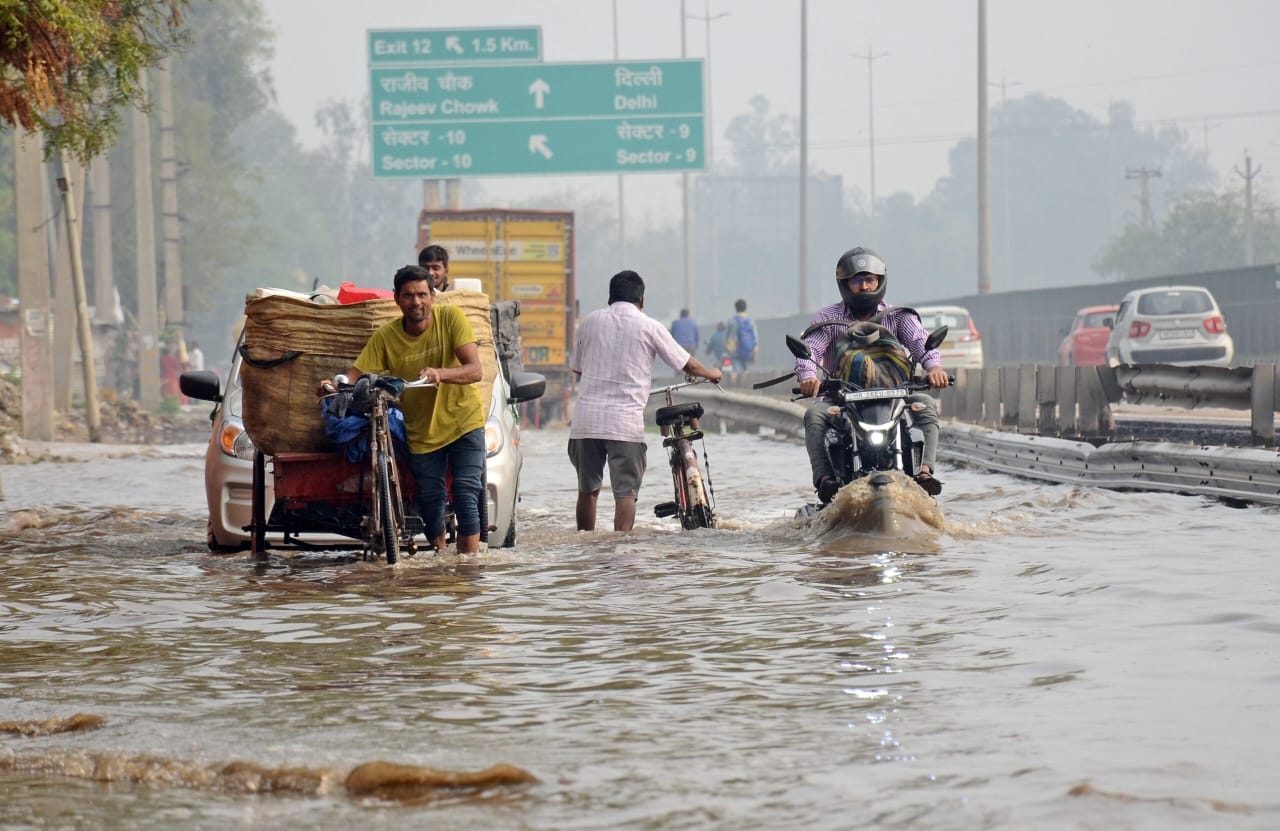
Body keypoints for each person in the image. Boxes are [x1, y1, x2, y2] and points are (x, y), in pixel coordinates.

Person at [323, 264, 486, 554]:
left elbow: (475, 370)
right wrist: (334, 386)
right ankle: (440, 557)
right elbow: (355, 374)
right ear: (397, 299)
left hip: (464, 422)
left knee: (465, 492)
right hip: (422, 431)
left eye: (422, 294)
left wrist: (440, 373)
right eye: (409, 296)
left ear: (433, 297)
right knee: (431, 501)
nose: (416, 302)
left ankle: (469, 569)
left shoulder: (451, 318)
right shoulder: (387, 337)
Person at [569, 270, 723, 532]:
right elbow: (685, 363)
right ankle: (622, 549)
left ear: (610, 297)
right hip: (624, 424)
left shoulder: (589, 322)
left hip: (586, 422)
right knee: (625, 493)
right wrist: (711, 374)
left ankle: (585, 547)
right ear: (641, 299)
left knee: (587, 490)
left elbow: (578, 369)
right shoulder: (649, 326)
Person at [796, 246, 949, 503]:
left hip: (895, 395)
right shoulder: (828, 318)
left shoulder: (899, 316)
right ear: (844, 284)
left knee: (927, 406)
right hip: (842, 398)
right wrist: (807, 377)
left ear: (880, 281)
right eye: (857, 281)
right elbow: (809, 352)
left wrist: (934, 368)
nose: (865, 286)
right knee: (814, 414)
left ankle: (924, 473)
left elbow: (921, 343)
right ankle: (825, 480)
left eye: (870, 279)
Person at [725, 298, 757, 373]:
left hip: (734, 351)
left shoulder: (732, 321)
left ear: (736, 308)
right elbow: (755, 339)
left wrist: (727, 349)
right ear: (746, 308)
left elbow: (727, 337)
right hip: (748, 350)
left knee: (736, 372)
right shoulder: (751, 321)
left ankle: (737, 383)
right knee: (747, 372)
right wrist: (754, 354)